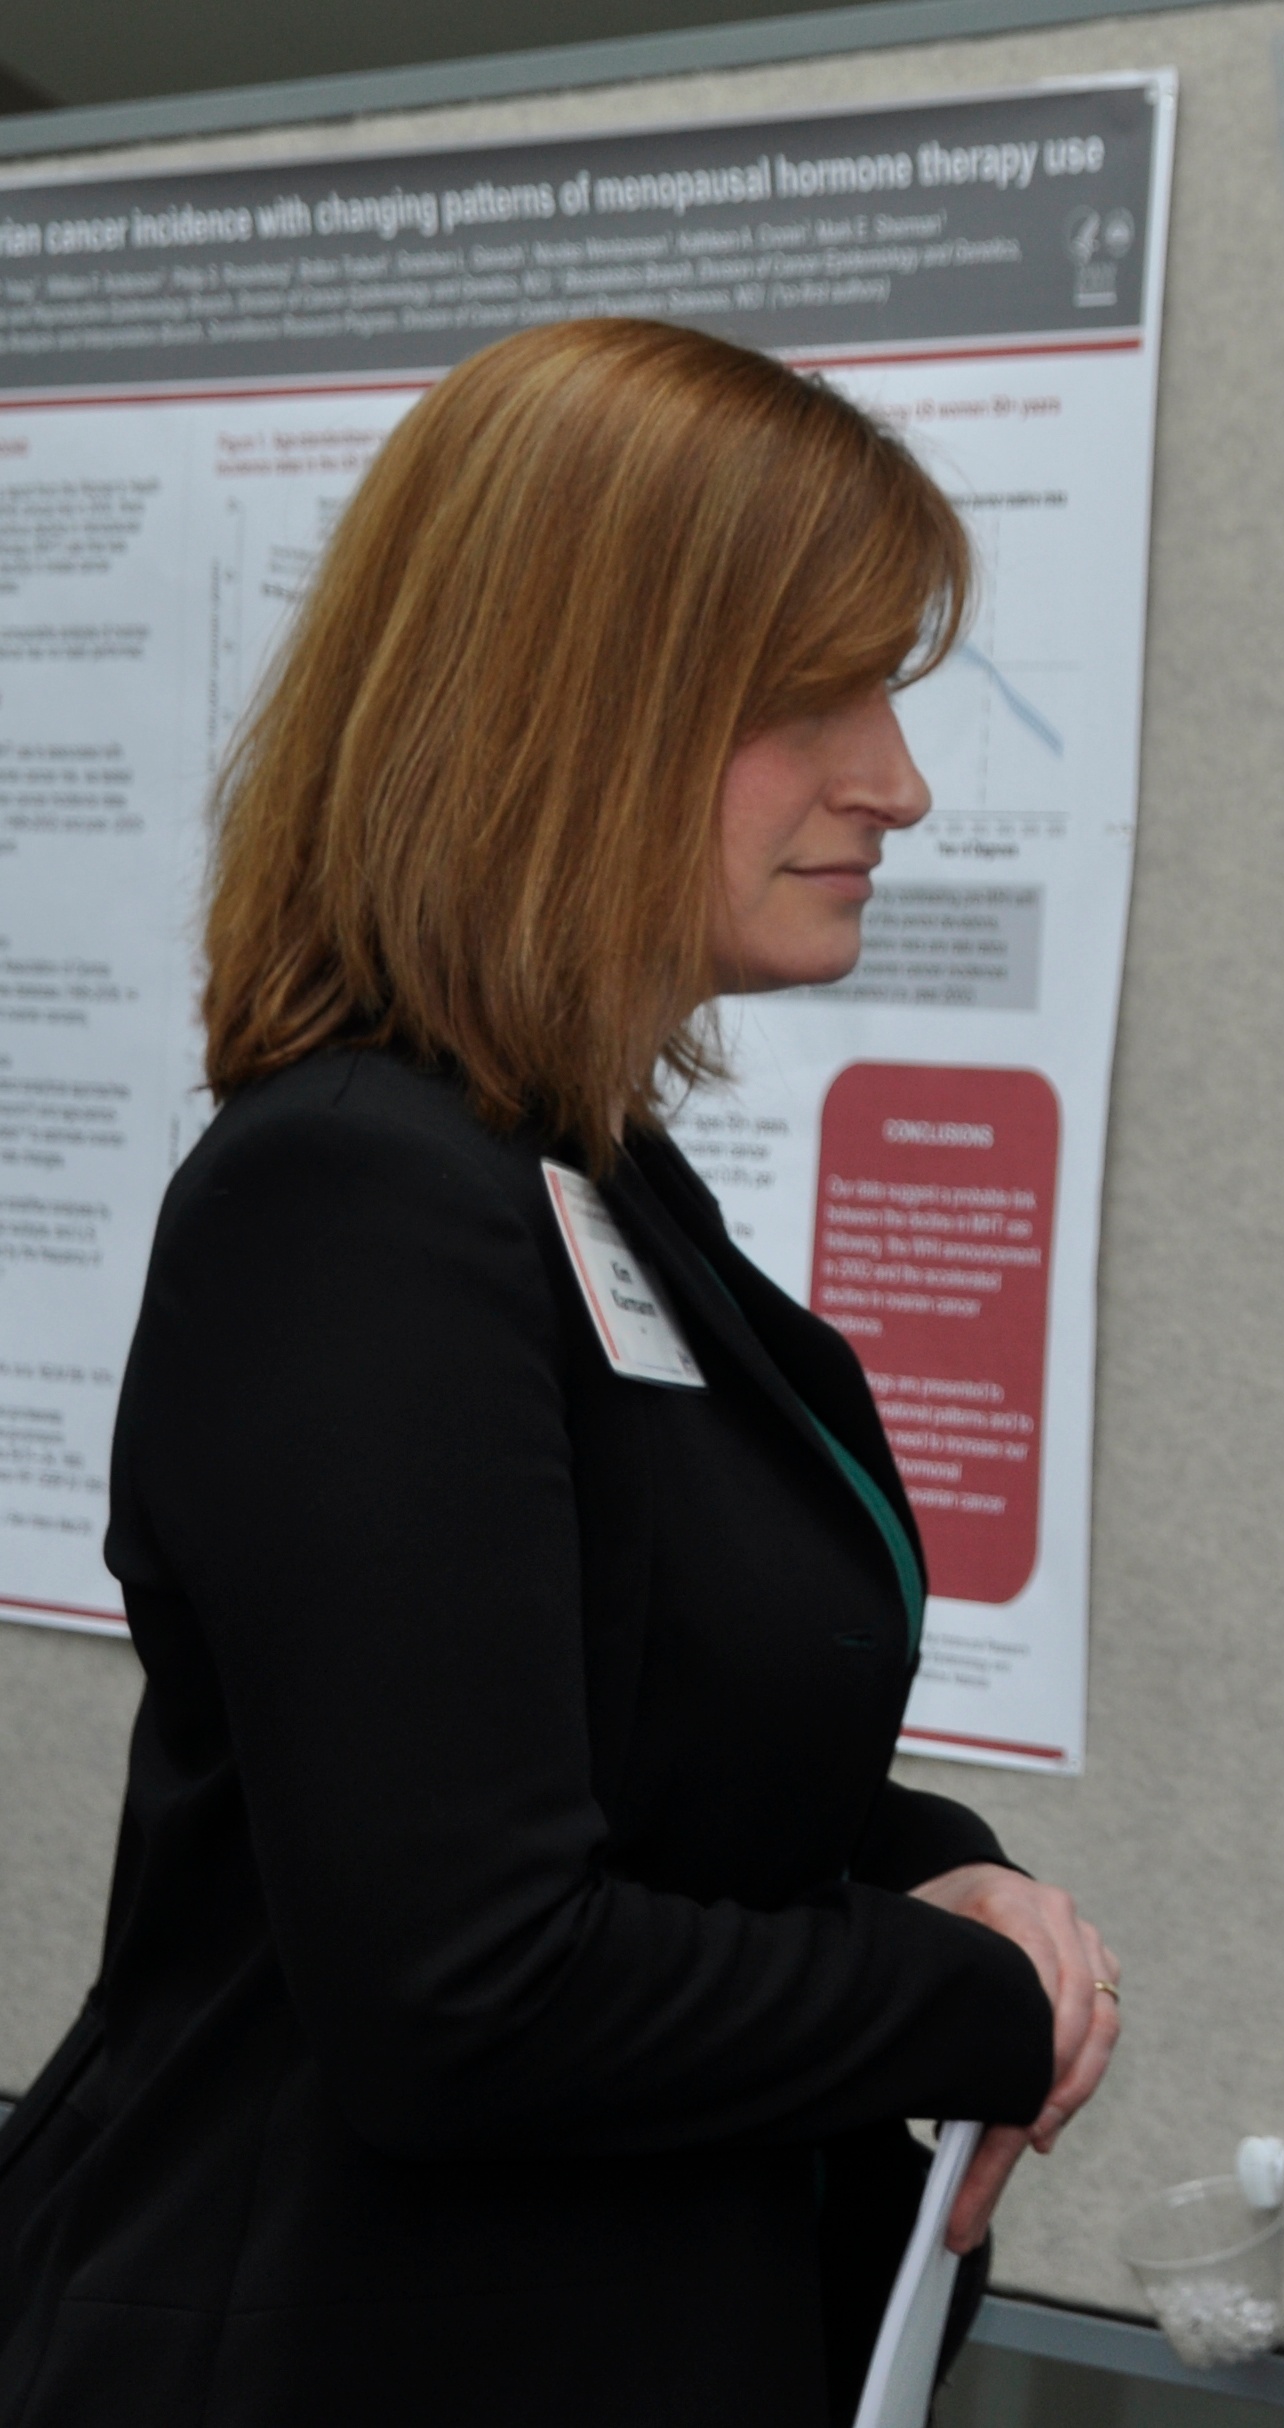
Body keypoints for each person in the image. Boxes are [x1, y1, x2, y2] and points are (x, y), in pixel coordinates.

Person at [0, 318, 1119, 2426]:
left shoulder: (577, 1176)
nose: (897, 781)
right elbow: (472, 1984)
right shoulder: (355, 1201)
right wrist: (956, 1996)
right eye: (813, 698)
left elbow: (610, 1727)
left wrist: (922, 1863)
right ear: (570, 709)